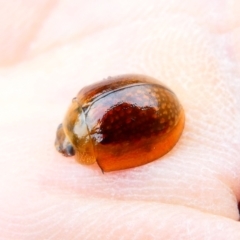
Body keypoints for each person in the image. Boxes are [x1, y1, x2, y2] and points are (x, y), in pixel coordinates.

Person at [1, 0, 240, 239]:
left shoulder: (99, 140)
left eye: (71, 147)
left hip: (163, 112)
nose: (65, 142)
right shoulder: (84, 101)